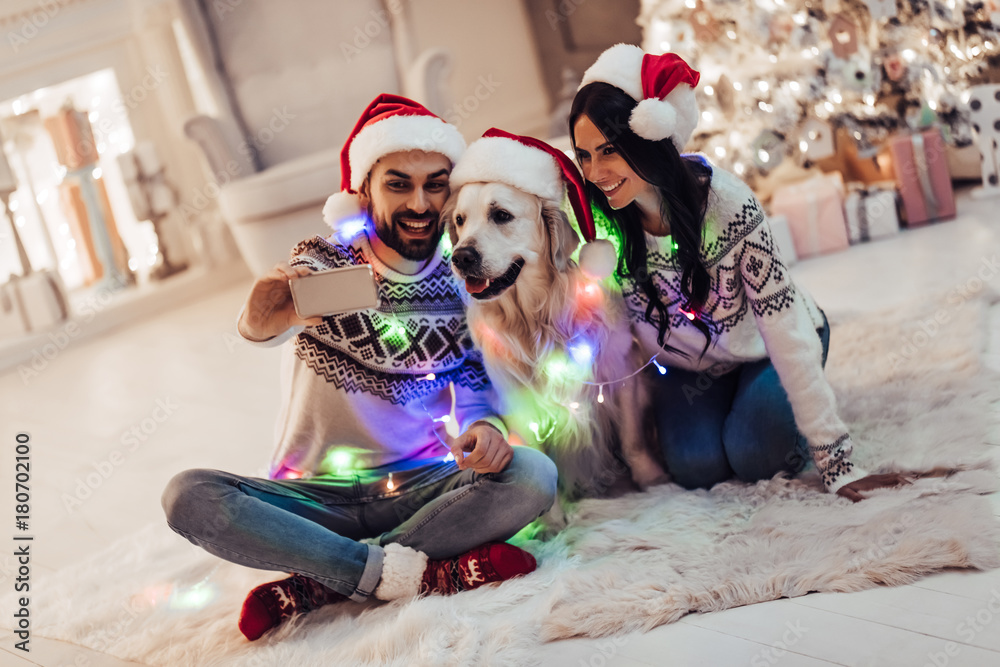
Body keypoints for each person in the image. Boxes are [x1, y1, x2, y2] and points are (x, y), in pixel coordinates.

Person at [161, 95, 558, 641]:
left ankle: (329, 578)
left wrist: (485, 431)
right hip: (315, 495)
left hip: (422, 484)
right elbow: (260, 326)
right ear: (364, 190)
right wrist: (269, 303)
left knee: (533, 474)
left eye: (435, 184)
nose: (420, 203)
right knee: (188, 495)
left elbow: (472, 386)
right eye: (398, 184)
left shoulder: (464, 277)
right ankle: (426, 569)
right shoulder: (325, 260)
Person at [568, 45, 907, 501]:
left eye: (607, 151)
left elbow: (784, 327)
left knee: (756, 456)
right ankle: (735, 406)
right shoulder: (600, 223)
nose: (594, 172)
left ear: (648, 137)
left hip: (765, 345)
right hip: (688, 371)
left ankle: (764, 403)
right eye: (584, 155)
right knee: (695, 467)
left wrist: (835, 459)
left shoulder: (729, 206)